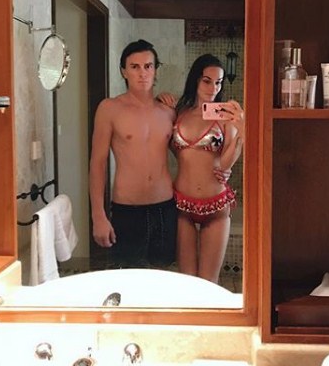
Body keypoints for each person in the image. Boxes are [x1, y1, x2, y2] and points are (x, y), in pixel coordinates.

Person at [89, 39, 178, 268]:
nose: (142, 73)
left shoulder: (168, 112)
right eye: (134, 66)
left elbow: (186, 155)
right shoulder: (110, 109)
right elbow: (97, 163)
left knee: (163, 278)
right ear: (124, 71)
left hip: (165, 207)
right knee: (128, 281)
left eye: (148, 66)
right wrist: (98, 215)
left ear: (155, 70)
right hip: (128, 210)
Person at [171, 54, 245, 283]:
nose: (213, 88)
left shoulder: (225, 116)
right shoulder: (178, 112)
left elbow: (225, 164)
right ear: (195, 79)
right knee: (187, 281)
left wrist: (241, 130)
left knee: (208, 282)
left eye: (219, 82)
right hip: (182, 205)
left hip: (216, 206)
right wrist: (159, 99)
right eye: (207, 81)